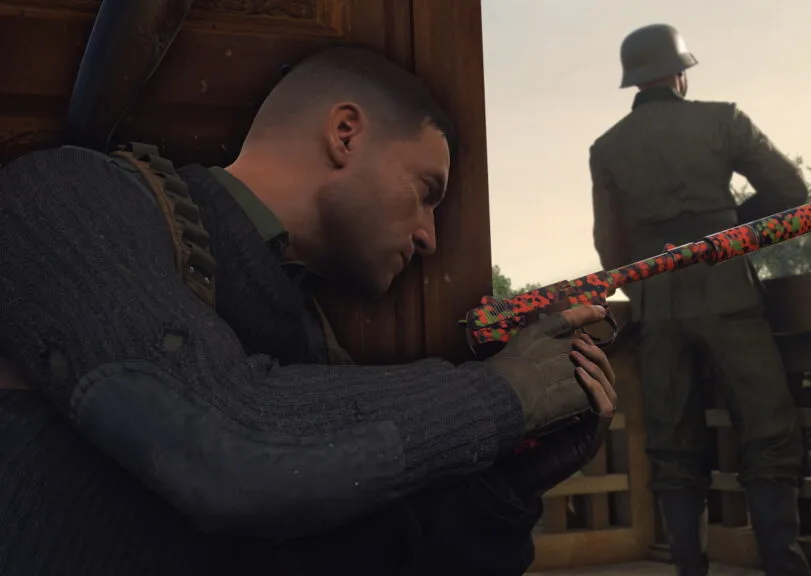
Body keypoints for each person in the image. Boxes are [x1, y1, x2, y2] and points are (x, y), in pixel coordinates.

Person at [0, 45, 617, 575]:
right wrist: (506, 393)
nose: (429, 236)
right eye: (426, 192)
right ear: (345, 133)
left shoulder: (313, 349)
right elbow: (228, 458)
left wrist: (506, 486)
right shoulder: (69, 196)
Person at [589, 24, 811, 576]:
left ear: (634, 81)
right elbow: (791, 192)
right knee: (768, 433)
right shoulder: (723, 120)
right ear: (680, 74)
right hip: (727, 288)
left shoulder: (608, 148)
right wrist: (728, 229)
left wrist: (645, 286)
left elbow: (609, 244)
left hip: (655, 305)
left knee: (672, 447)